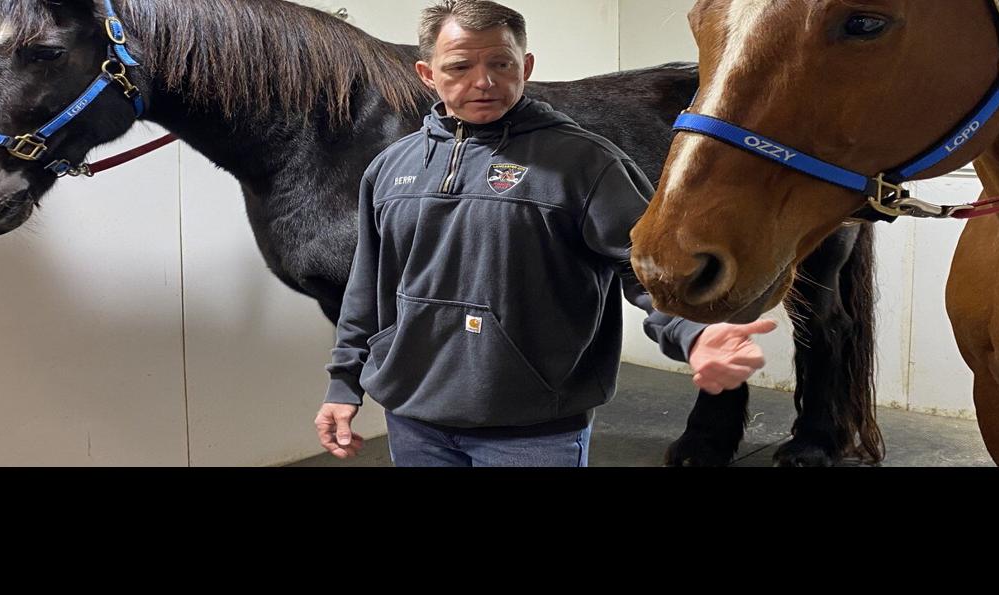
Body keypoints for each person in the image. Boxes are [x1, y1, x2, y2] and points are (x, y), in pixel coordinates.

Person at [313, 0, 774, 466]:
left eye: (501, 63)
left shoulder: (585, 163)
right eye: (460, 65)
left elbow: (643, 267)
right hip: (414, 421)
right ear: (427, 74)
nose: (484, 81)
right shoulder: (390, 169)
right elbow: (367, 290)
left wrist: (694, 334)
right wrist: (343, 384)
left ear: (525, 67)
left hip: (534, 430)